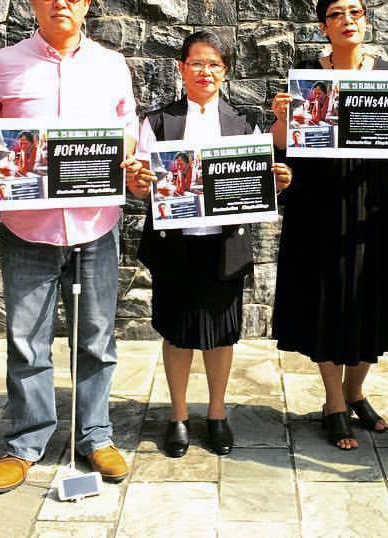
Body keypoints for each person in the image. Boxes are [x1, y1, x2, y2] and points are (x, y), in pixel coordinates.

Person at [0, 0, 141, 493]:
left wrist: (126, 154)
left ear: (88, 3)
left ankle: (95, 435)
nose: (60, 3)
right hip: (28, 223)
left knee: (96, 338)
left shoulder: (112, 65)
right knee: (26, 340)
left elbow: (128, 126)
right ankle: (26, 442)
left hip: (95, 221)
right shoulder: (4, 63)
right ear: (32, 1)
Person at [270, 0, 388, 450]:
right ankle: (333, 400)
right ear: (324, 26)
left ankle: (355, 391)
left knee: (367, 293)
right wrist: (280, 115)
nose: (348, 20)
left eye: (355, 12)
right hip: (315, 197)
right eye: (337, 14)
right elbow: (282, 143)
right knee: (324, 293)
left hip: (368, 197)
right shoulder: (305, 74)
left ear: (366, 20)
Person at [129, 31, 292, 458]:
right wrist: (139, 182)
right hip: (175, 247)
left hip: (224, 248)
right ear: (181, 68)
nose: (205, 72)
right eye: (197, 63)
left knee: (222, 335)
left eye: (215, 64)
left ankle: (217, 414)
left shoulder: (244, 123)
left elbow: (258, 188)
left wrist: (278, 184)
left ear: (225, 72)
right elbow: (142, 190)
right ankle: (178, 415)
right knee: (178, 333)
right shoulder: (157, 122)